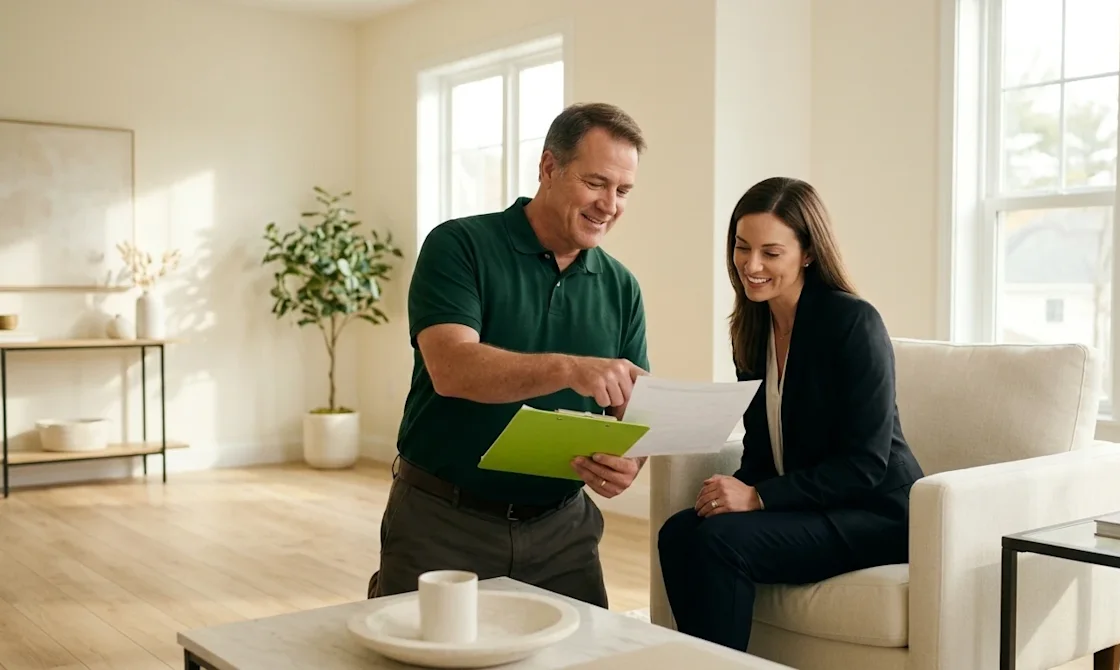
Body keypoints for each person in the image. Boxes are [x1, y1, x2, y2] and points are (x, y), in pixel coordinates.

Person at [367, 102, 651, 609]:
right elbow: (451, 368)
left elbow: (632, 407)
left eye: (623, 190)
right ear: (548, 168)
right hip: (443, 524)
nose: (609, 204)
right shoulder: (459, 245)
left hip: (565, 533)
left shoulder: (622, 286)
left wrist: (629, 461)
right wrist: (570, 369)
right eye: (596, 183)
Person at [656, 176, 926, 651]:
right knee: (680, 533)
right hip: (814, 506)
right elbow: (762, 446)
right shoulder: (752, 327)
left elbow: (865, 464)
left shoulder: (853, 323)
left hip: (877, 513)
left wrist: (757, 498)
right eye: (742, 247)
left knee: (721, 542)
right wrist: (732, 492)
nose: (751, 265)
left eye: (770, 252)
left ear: (807, 254)